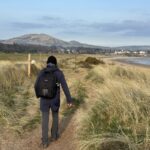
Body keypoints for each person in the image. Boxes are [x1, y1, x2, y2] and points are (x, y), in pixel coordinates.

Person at [34, 55, 73, 148]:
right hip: (55, 100)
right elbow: (65, 87)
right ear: (55, 63)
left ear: (47, 63)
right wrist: (69, 100)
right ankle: (54, 136)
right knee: (55, 116)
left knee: (45, 119)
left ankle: (44, 142)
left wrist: (38, 95)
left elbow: (36, 85)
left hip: (44, 99)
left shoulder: (42, 72)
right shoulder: (59, 73)